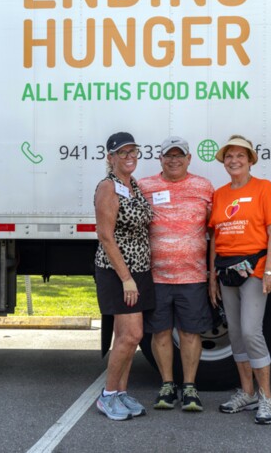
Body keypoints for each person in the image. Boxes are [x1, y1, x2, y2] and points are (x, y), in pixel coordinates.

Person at [208, 135, 271, 425]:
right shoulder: (220, 194)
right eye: (229, 156)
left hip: (254, 269)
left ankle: (266, 397)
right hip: (226, 271)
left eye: (240, 156)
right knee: (236, 334)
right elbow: (214, 237)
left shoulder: (264, 188)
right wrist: (211, 277)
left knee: (253, 332)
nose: (234, 161)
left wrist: (269, 269)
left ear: (250, 159)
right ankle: (247, 392)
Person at [138, 136, 214, 412]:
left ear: (189, 159)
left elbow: (214, 231)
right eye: (168, 155)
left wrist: (212, 274)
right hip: (156, 276)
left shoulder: (203, 187)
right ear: (160, 159)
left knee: (190, 333)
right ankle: (168, 385)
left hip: (192, 276)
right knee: (160, 334)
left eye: (179, 155)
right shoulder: (144, 186)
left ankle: (190, 388)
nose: (174, 160)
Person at [94, 132, 155, 421]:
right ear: (111, 157)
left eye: (133, 151)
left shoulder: (133, 186)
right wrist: (126, 278)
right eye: (122, 152)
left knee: (126, 336)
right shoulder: (108, 187)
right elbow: (106, 236)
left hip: (139, 270)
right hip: (118, 272)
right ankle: (107, 396)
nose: (129, 156)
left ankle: (121, 392)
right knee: (132, 335)